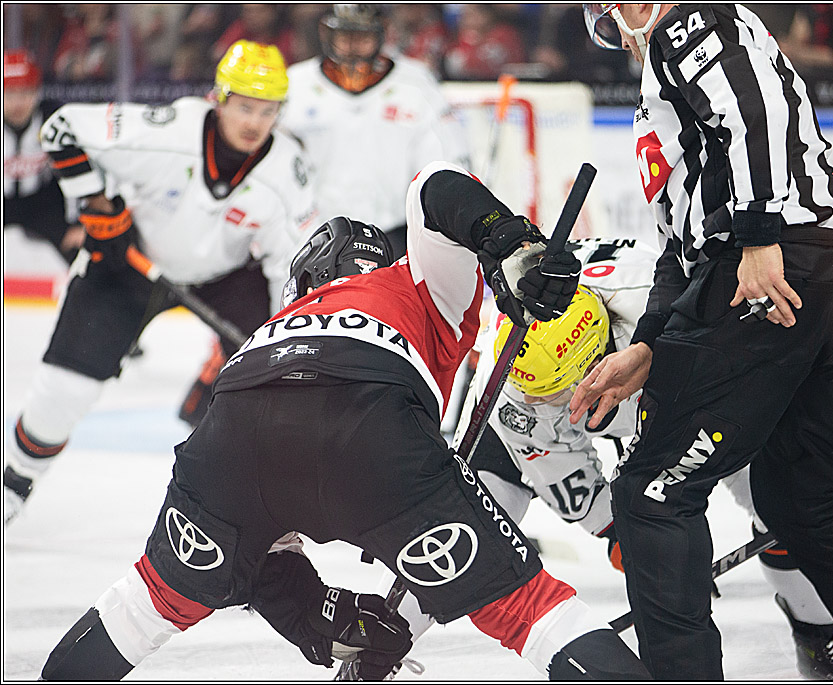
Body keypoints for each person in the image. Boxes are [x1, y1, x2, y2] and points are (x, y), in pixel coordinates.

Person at [39, 161, 652, 681]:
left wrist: (316, 614)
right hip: (372, 423)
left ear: (303, 282)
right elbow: (435, 187)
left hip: (236, 423)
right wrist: (513, 244)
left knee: (142, 606)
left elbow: (259, 534)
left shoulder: (277, 325)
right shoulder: (414, 283)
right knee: (532, 610)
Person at [572, 4, 833, 680]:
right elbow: (678, 247)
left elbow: (754, 112)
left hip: (776, 276)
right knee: (806, 498)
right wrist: (650, 344)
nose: (621, 42)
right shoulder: (667, 85)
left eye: (615, 22)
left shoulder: (686, 23)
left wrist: (757, 234)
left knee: (652, 492)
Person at [368, 236, 833, 679]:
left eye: (569, 391)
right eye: (548, 396)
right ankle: (375, 650)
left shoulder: (671, 309)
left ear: (605, 348)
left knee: (774, 489)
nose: (563, 407)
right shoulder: (516, 395)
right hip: (532, 424)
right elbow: (575, 483)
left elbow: (778, 357)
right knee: (455, 531)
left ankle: (816, 635)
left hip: (675, 378)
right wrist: (630, 541)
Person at [3, 41, 319, 526]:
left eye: (269, 110)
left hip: (224, 277)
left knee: (275, 376)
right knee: (61, 396)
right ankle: (13, 485)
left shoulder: (287, 171)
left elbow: (289, 266)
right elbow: (61, 127)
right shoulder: (167, 131)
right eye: (246, 107)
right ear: (220, 99)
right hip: (126, 266)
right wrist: (93, 202)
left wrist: (287, 337)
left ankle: (258, 506)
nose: (255, 122)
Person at [281, 4, 470, 259]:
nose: (353, 45)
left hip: (395, 236)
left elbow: (445, 163)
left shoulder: (416, 83)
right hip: (314, 236)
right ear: (327, 33)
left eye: (363, 36)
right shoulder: (295, 84)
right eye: (345, 35)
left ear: (381, 33)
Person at [3, 49, 84, 264]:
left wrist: (76, 223)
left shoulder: (52, 121)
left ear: (37, 93)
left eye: (25, 93)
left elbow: (74, 171)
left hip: (43, 202)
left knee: (80, 251)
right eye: (9, 95)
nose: (17, 103)